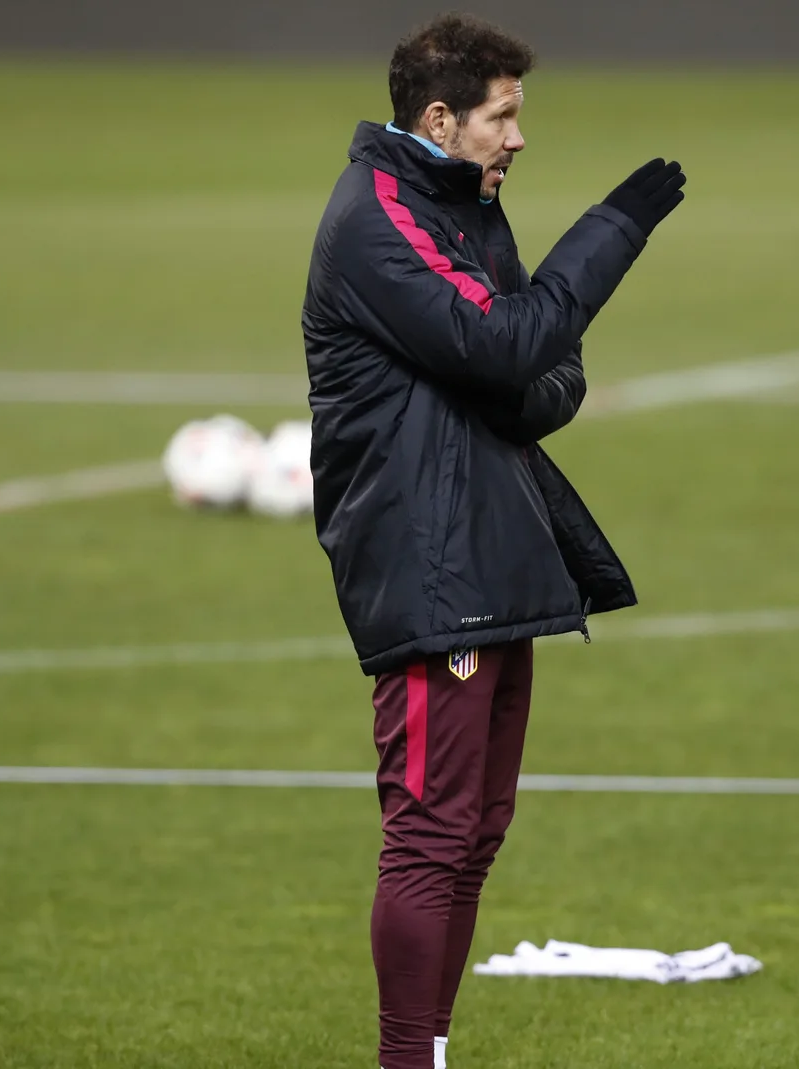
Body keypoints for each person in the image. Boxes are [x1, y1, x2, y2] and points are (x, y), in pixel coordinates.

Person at [300, 13, 687, 1069]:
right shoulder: (375, 218)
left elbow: (535, 382)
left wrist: (529, 364)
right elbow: (512, 341)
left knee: (475, 830)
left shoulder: (466, 205)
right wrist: (615, 227)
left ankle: (428, 1049)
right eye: (502, 116)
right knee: (429, 832)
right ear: (439, 117)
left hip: (490, 542)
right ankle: (403, 1060)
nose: (517, 139)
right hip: (429, 561)